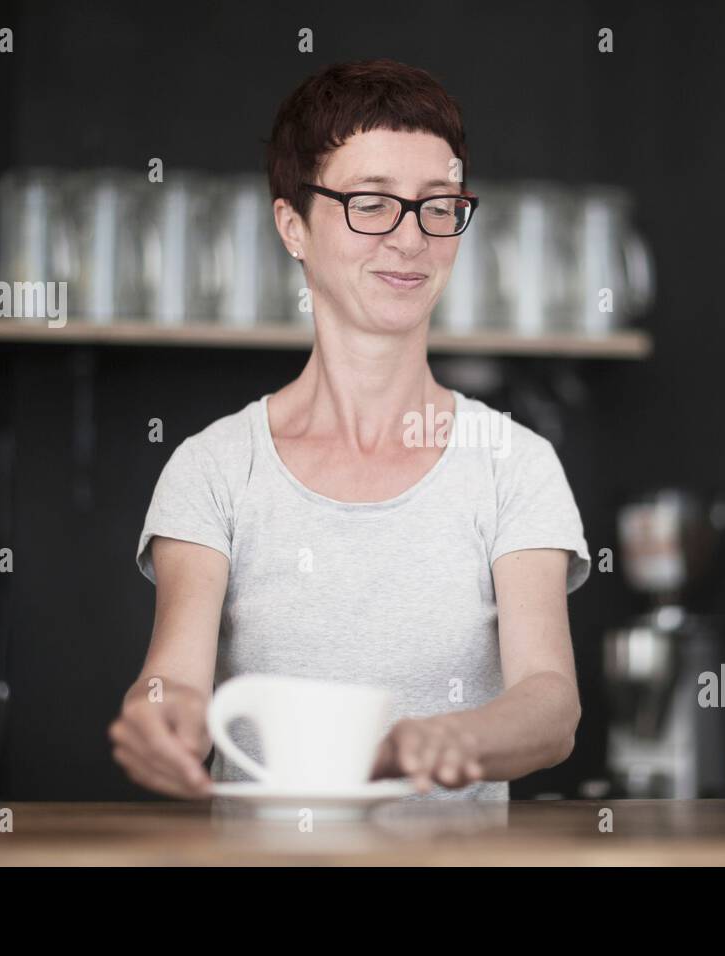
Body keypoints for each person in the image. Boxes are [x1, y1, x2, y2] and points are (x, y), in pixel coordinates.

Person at [109, 58, 590, 800]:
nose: (410, 240)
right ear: (292, 225)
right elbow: (171, 678)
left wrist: (437, 739)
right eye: (370, 203)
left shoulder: (513, 465)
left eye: (438, 204)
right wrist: (157, 719)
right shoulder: (213, 467)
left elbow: (551, 705)